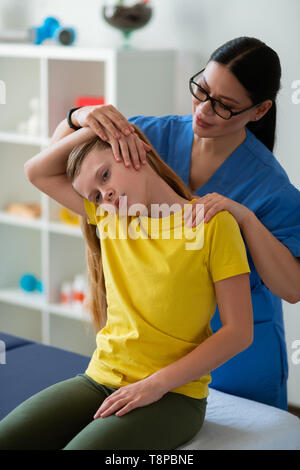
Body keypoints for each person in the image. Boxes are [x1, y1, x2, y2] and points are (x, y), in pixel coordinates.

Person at [62, 36, 300, 411]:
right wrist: (78, 118)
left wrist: (245, 218)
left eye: (224, 106)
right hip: (159, 347)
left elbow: (292, 287)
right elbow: (61, 167)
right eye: (202, 90)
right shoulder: (150, 137)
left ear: (259, 111)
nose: (204, 110)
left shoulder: (270, 186)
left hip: (237, 354)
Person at [0, 124, 252, 450]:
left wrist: (155, 385)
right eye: (95, 195)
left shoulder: (213, 224)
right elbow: (35, 171)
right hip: (101, 378)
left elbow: (239, 332)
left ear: (135, 152)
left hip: (175, 396)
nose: (105, 195)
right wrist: (87, 119)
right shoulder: (109, 219)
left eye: (105, 175)